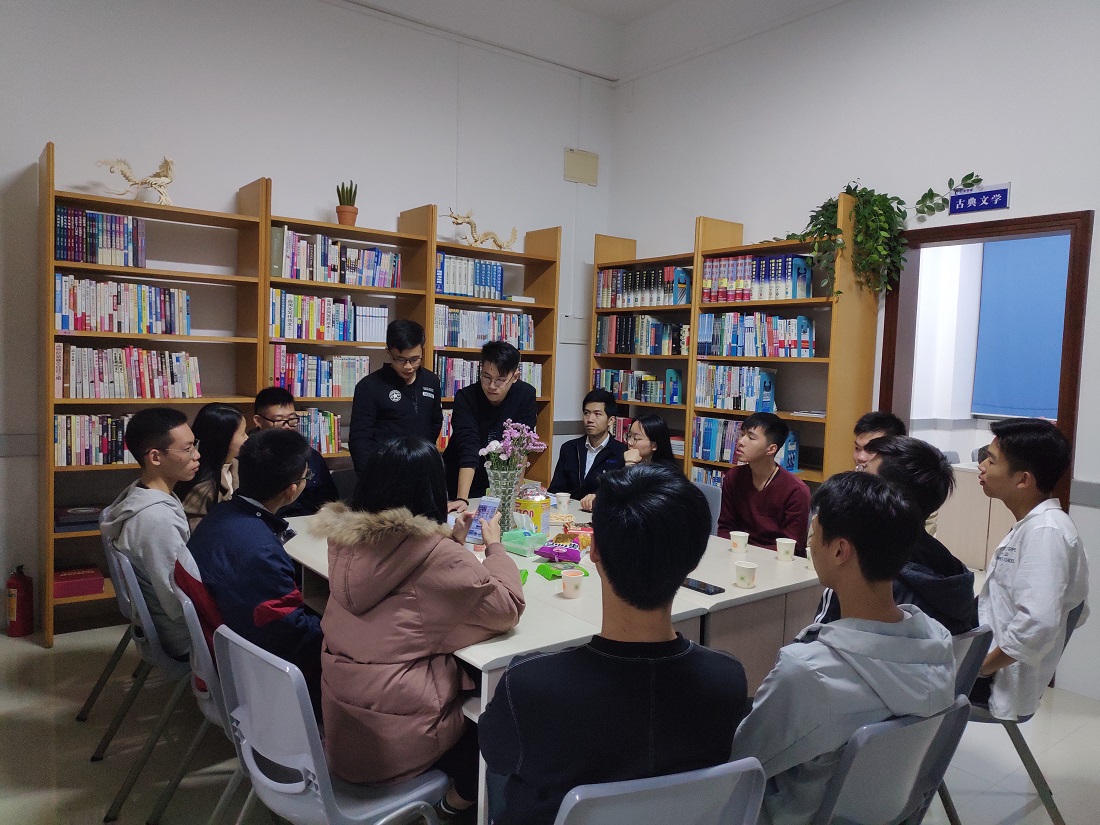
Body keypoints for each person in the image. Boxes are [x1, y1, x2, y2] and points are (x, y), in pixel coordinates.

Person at [480, 464, 748, 825]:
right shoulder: (727, 679)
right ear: (693, 560)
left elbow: (496, 752)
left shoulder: (530, 685)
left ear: (594, 551)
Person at [314, 436, 524, 821]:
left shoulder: (345, 542)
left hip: (347, 731)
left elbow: (410, 590)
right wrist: (495, 548)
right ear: (432, 489)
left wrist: (450, 541)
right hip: (396, 742)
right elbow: (507, 608)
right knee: (508, 710)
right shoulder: (436, 556)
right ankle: (456, 801)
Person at [731, 471, 956, 825]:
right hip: (888, 814)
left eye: (813, 534)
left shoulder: (808, 672)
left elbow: (742, 764)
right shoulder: (938, 643)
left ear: (839, 550)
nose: (809, 543)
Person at [187, 428, 325, 709]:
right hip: (260, 669)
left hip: (233, 634)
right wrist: (339, 626)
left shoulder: (222, 512)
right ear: (292, 489)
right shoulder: (260, 552)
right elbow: (291, 635)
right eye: (306, 477)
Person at [972, 418, 1089, 720]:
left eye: (991, 460)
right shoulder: (1036, 526)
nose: (981, 466)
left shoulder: (1046, 533)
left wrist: (980, 668)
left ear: (1023, 480)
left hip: (996, 680)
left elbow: (1039, 623)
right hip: (991, 659)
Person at [813, 435, 978, 635]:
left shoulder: (864, 576)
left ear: (886, 498)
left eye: (865, 477)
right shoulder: (954, 573)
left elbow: (816, 643)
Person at [101, 407, 202, 659]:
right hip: (183, 636)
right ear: (155, 457)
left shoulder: (141, 492)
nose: (197, 455)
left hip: (167, 623)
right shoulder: (157, 519)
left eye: (194, 445)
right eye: (187, 449)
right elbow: (177, 602)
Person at [443, 340, 537, 506]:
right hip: (462, 478)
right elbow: (469, 446)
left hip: (501, 479)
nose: (492, 386)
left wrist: (515, 491)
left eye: (500, 380)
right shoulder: (466, 397)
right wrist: (462, 498)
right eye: (486, 377)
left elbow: (521, 447)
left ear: (515, 377)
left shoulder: (526, 395)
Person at [348, 320, 443, 475]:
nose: (408, 366)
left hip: (421, 467)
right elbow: (360, 440)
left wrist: (423, 453)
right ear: (388, 352)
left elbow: (436, 420)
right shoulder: (369, 386)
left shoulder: (431, 381)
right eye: (400, 359)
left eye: (415, 359)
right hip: (384, 471)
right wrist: (369, 479)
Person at [716, 412, 810, 553]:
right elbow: (725, 527)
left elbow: (792, 546)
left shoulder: (796, 491)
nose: (741, 441)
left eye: (751, 437)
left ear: (771, 449)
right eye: (742, 434)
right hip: (737, 554)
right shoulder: (733, 477)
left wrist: (751, 554)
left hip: (775, 560)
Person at [253, 387, 339, 517]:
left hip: (309, 523)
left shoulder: (311, 455)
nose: (287, 426)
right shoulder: (250, 457)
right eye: (279, 420)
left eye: (292, 419)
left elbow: (329, 499)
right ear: (258, 421)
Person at [174, 403, 247, 531]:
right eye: (242, 434)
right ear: (223, 438)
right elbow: (199, 535)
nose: (247, 438)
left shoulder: (237, 466)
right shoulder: (200, 487)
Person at [547, 388, 627, 501]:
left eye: (597, 414)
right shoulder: (569, 448)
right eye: (586, 413)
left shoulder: (621, 452)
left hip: (600, 510)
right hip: (568, 509)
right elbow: (555, 490)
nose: (590, 419)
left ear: (611, 420)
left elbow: (621, 496)